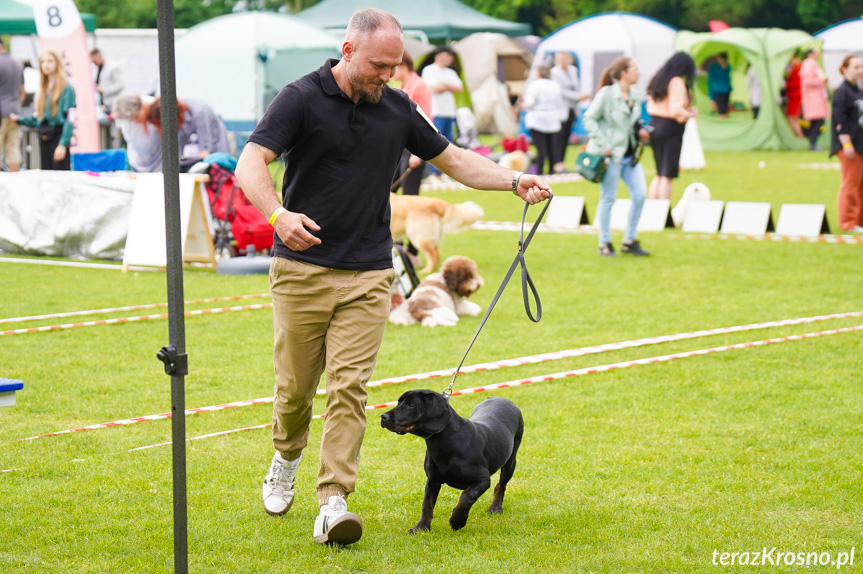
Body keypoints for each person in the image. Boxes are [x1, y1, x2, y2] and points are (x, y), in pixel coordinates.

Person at [234, 8, 550, 546]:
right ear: (349, 50)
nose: (389, 75)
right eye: (380, 65)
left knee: (350, 389)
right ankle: (285, 457)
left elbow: (456, 161)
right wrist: (277, 215)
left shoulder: (399, 107)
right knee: (295, 392)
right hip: (302, 269)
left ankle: (333, 502)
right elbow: (250, 161)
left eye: (396, 65)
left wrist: (513, 178)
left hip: (370, 271)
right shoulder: (301, 97)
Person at [582, 56, 650, 257]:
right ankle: (604, 243)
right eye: (635, 69)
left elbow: (630, 125)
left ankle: (630, 240)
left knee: (640, 196)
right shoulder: (606, 94)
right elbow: (589, 119)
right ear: (624, 73)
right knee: (608, 198)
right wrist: (604, 145)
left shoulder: (636, 96)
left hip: (630, 156)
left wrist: (640, 133)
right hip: (612, 156)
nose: (639, 73)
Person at [10, 51, 75, 171]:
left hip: (58, 136)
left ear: (57, 63)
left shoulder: (67, 88)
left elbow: (70, 119)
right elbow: (38, 119)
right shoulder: (42, 89)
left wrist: (62, 144)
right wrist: (20, 120)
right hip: (44, 137)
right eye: (42, 62)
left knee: (60, 178)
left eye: (50, 61)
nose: (46, 64)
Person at [646, 52, 698, 200]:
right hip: (670, 128)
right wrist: (690, 113)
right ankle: (664, 209)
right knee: (667, 174)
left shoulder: (657, 79)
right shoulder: (676, 81)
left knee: (659, 172)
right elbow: (676, 109)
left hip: (654, 126)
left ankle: (653, 209)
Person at [830, 55, 863, 233]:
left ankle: (859, 221)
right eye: (855, 67)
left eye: (861, 67)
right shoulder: (842, 91)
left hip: (861, 143)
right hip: (849, 146)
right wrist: (846, 144)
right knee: (850, 185)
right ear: (844, 69)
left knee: (861, 186)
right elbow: (839, 119)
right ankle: (847, 222)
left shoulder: (857, 90)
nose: (859, 70)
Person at [146, 96, 232, 164]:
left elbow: (205, 149)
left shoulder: (199, 112)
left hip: (215, 147)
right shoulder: (179, 117)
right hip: (195, 152)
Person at [391, 52, 431, 198]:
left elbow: (425, 121)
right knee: (387, 191)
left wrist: (417, 154)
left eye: (394, 67)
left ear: (404, 65)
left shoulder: (419, 86)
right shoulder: (401, 87)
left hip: (414, 148)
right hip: (401, 148)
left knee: (410, 194)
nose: (390, 72)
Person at [521, 63, 566, 175]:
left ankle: (539, 172)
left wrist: (524, 105)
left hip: (537, 119)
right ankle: (551, 171)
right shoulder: (555, 85)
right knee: (552, 148)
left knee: (541, 148)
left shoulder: (534, 85)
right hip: (553, 119)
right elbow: (560, 103)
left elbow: (530, 103)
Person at [550, 50, 588, 174]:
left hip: (571, 109)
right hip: (561, 109)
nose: (562, 61)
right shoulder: (554, 72)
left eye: (564, 58)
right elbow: (560, 91)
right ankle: (557, 163)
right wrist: (578, 96)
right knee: (559, 137)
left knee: (566, 137)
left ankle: (562, 163)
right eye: (559, 59)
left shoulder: (573, 70)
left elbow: (575, 86)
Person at [420, 46, 463, 142]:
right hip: (436, 112)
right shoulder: (429, 70)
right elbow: (434, 88)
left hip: (450, 113)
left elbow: (460, 88)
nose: (451, 58)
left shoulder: (451, 72)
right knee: (436, 141)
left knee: (448, 142)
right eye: (448, 55)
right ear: (439, 55)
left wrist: (444, 85)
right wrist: (450, 86)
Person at [112, 93, 163, 172]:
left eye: (136, 117)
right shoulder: (123, 115)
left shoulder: (156, 106)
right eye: (131, 120)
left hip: (159, 165)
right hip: (136, 164)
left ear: (142, 105)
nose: (135, 121)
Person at [0, 38, 25, 171]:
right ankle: (14, 184)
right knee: (13, 147)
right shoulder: (17, 63)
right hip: (15, 111)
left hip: (1, 111)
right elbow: (23, 92)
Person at [800, 47, 830, 151]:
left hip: (818, 96)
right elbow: (808, 81)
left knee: (818, 121)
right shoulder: (808, 65)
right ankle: (812, 143)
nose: (818, 55)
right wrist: (821, 80)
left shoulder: (814, 64)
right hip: (813, 97)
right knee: (817, 120)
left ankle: (813, 143)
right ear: (811, 53)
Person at [90, 48, 124, 114]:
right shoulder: (95, 68)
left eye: (94, 61)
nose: (94, 63)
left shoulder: (113, 67)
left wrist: (104, 90)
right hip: (101, 104)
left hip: (112, 103)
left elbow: (120, 85)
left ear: (99, 56)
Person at [784, 52, 804, 138]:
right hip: (794, 95)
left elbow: (796, 83)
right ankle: (799, 136)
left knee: (792, 117)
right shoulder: (794, 66)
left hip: (795, 95)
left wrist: (785, 84)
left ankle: (799, 136)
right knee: (793, 117)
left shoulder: (796, 67)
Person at [707, 53, 731, 120]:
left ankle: (724, 125)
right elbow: (710, 82)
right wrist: (712, 98)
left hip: (727, 91)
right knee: (722, 112)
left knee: (725, 112)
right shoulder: (714, 67)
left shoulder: (728, 66)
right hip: (718, 91)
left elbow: (728, 79)